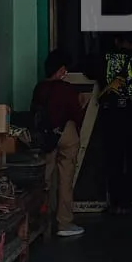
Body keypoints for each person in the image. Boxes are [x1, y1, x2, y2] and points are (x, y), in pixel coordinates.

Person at [84, 33, 132, 215]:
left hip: (111, 117)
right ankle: (127, 203)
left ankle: (115, 203)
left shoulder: (102, 58)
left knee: (112, 160)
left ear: (116, 41)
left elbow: (87, 70)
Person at [31, 50, 88, 238]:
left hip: (46, 138)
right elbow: (76, 114)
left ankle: (42, 221)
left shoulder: (39, 88)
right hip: (66, 135)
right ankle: (64, 222)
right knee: (65, 180)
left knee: (45, 180)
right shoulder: (66, 89)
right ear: (61, 69)